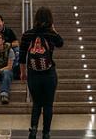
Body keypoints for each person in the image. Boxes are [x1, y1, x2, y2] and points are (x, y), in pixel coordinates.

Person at [19, 7, 64, 139]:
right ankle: (46, 133)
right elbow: (60, 43)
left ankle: (33, 130)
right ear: (50, 19)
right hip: (49, 74)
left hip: (33, 74)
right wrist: (54, 30)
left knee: (37, 103)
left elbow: (21, 57)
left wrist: (23, 73)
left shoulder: (27, 34)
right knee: (48, 105)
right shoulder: (51, 34)